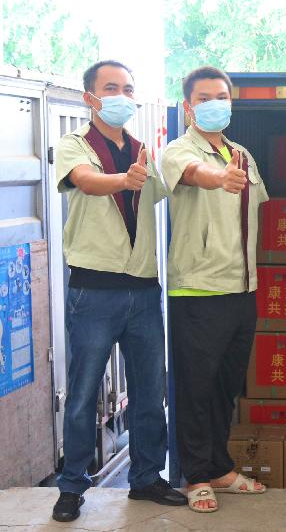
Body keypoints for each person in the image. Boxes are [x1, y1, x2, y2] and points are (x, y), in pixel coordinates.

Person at [53, 60, 186, 522]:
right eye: (112, 88)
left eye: (129, 89)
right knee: (83, 393)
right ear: (90, 97)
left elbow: (164, 194)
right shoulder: (74, 145)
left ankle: (146, 477)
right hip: (94, 290)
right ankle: (72, 486)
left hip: (144, 289)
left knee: (150, 391)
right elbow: (85, 182)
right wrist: (123, 180)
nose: (123, 97)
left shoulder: (141, 149)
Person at [161, 66, 269, 513]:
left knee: (226, 385)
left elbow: (254, 211)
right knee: (196, 388)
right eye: (203, 98)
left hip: (241, 288)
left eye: (221, 97)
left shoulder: (241, 154)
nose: (213, 105)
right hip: (199, 290)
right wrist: (218, 178)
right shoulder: (179, 151)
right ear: (188, 107)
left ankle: (221, 468)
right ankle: (196, 476)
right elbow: (193, 173)